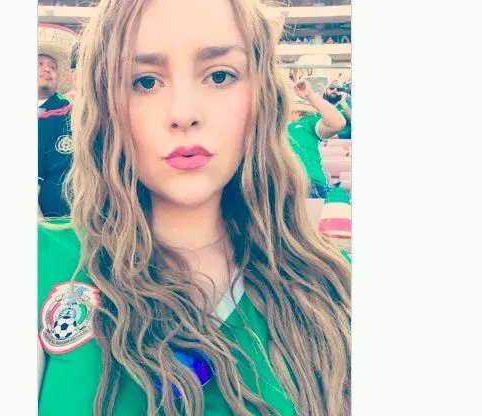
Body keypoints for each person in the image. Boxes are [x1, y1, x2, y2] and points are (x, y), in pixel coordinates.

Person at [38, 0, 352, 415]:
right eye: (145, 81)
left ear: (261, 96)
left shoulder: (335, 286)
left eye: (220, 76)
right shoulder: (41, 263)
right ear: (105, 105)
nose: (183, 114)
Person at [287, 78, 347, 225]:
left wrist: (310, 95)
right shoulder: (264, 124)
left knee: (317, 232)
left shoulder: (308, 122)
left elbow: (338, 123)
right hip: (274, 185)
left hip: (310, 183)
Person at [38, 24, 77, 217]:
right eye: (39, 64)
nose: (47, 70)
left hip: (63, 220)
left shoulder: (70, 112)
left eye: (52, 67)